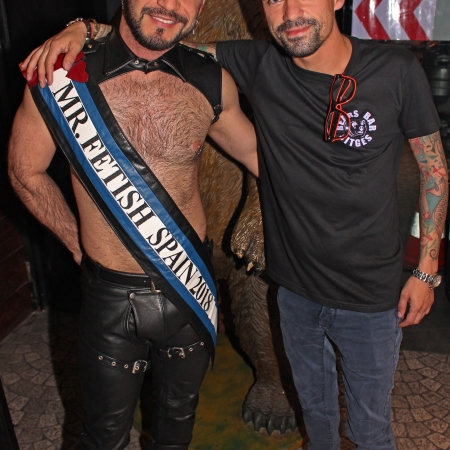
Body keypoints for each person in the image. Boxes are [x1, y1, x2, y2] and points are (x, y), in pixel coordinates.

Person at [20, 0, 448, 448]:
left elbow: (434, 170)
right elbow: (161, 39)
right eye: (275, 0)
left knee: (370, 428)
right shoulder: (259, 62)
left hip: (368, 294)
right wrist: (86, 30)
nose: (291, 12)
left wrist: (426, 271)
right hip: (296, 291)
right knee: (316, 412)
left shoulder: (395, 69)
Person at [8, 1, 258, 449]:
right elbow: (25, 170)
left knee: (178, 423)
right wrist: (76, 241)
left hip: (189, 287)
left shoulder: (211, 80)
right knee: (103, 436)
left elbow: (261, 157)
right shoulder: (61, 74)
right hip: (110, 297)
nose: (170, 4)